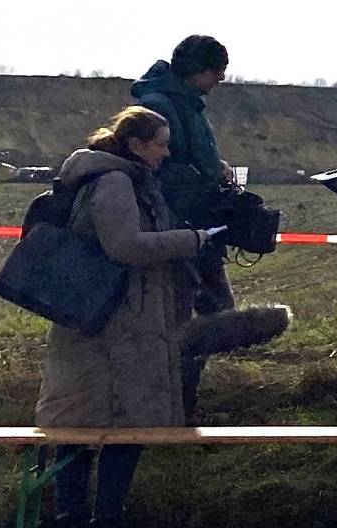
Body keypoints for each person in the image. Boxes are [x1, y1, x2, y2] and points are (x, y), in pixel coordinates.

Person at [36, 106, 221, 528]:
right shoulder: (117, 182)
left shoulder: (117, 178)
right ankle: (95, 516)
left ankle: (81, 514)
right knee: (109, 426)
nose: (166, 153)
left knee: (89, 423)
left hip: (108, 322)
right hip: (115, 325)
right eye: (160, 144)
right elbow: (125, 246)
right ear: (136, 145)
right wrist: (189, 241)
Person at [130, 34, 232, 420]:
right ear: (200, 71)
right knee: (195, 317)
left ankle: (179, 405)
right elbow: (161, 170)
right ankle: (174, 408)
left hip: (195, 227)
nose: (220, 80)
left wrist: (215, 171)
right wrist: (206, 185)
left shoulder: (186, 105)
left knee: (205, 314)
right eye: (218, 71)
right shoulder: (159, 106)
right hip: (179, 229)